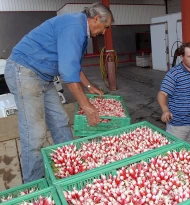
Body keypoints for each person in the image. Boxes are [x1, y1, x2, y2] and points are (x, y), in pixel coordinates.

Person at [4, 2, 114, 183]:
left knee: (60, 121)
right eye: (105, 26)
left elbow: (74, 65)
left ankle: (68, 165)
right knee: (35, 133)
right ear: (96, 19)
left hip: (43, 76)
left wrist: (88, 86)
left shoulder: (81, 30)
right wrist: (87, 106)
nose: (104, 32)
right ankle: (34, 184)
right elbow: (68, 75)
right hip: (24, 71)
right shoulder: (74, 27)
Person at [157, 42, 190, 146]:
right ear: (182, 57)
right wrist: (165, 110)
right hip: (178, 126)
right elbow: (162, 94)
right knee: (175, 154)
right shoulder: (174, 74)